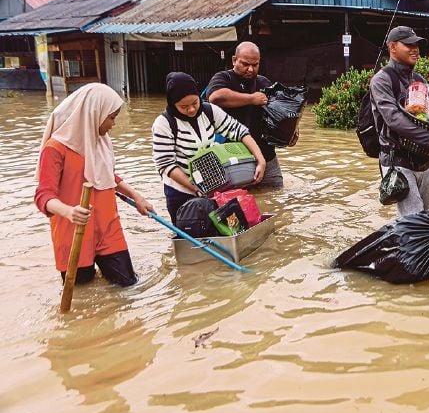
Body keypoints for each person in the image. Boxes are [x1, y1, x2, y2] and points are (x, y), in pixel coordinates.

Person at [34, 83, 154, 287]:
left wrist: (136, 196)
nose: (113, 124)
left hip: (108, 228)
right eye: (112, 117)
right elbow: (43, 196)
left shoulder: (100, 142)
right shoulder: (55, 149)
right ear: (94, 114)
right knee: (83, 297)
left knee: (128, 286)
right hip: (73, 233)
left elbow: (107, 176)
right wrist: (69, 211)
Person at [370, 25, 429, 216]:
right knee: (414, 222)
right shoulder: (381, 80)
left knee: (426, 216)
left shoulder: (419, 80)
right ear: (392, 47)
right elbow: (394, 119)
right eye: (408, 44)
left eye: (417, 45)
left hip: (425, 160)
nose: (415, 49)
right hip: (398, 161)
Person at [152, 72, 267, 222]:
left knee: (221, 229)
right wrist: (195, 188)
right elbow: (166, 164)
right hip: (180, 190)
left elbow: (239, 131)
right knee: (188, 235)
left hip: (213, 185)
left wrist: (260, 160)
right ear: (173, 104)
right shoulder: (163, 124)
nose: (191, 110)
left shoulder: (209, 111)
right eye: (184, 107)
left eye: (194, 103)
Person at [207, 41, 297, 188]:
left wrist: (291, 129)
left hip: (266, 156)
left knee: (276, 199)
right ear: (234, 60)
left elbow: (280, 111)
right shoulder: (222, 78)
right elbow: (216, 97)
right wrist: (251, 99)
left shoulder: (264, 83)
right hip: (234, 158)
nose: (250, 69)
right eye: (245, 64)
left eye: (255, 65)